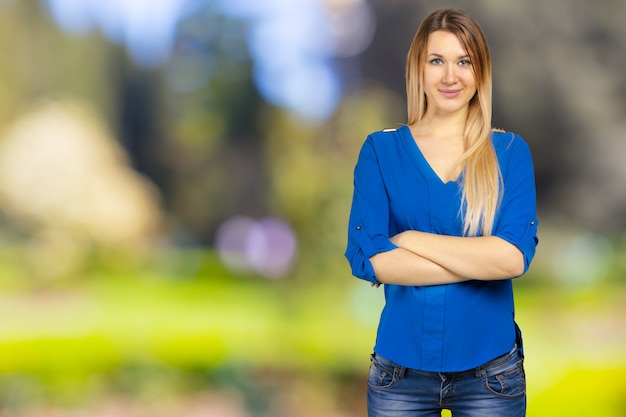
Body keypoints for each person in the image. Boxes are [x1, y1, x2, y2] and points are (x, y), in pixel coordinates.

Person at [344, 8, 538, 417]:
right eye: (438, 61)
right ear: (419, 68)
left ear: (480, 71)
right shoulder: (381, 151)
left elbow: (512, 258)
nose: (450, 76)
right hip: (400, 374)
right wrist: (479, 261)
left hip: (491, 375)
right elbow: (371, 259)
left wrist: (413, 241)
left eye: (463, 61)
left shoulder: (509, 153)